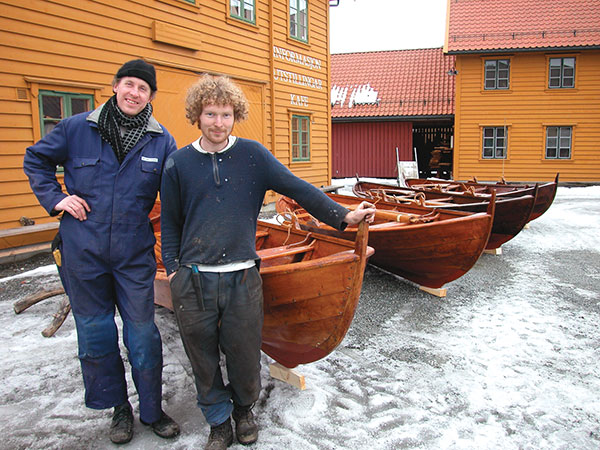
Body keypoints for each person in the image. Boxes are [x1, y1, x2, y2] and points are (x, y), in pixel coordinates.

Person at [160, 73, 375, 450]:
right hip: (194, 280)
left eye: (226, 114)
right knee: (203, 358)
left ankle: (244, 410)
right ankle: (217, 422)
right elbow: (170, 222)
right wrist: (175, 270)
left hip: (242, 277)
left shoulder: (253, 156)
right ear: (197, 115)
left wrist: (343, 216)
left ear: (235, 115)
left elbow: (298, 188)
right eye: (210, 114)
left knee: (244, 354)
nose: (218, 123)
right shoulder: (179, 164)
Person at [23, 59, 180, 445]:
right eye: (128, 85)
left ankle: (151, 410)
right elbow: (35, 159)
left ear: (151, 96)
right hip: (82, 250)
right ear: (114, 86)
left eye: (143, 89)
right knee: (95, 334)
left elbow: (177, 197)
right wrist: (57, 198)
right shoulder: (78, 129)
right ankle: (118, 409)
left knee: (143, 334)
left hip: (133, 252)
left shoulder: (161, 140)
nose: (134, 93)